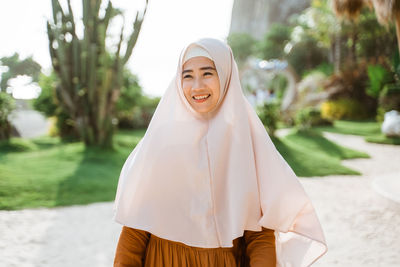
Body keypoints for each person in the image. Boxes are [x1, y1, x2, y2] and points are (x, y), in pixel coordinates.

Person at [113, 38, 327, 267]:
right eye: (187, 75)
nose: (197, 86)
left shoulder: (246, 145)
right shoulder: (161, 143)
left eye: (207, 73)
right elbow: (135, 230)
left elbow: (259, 235)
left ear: (226, 75)